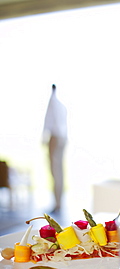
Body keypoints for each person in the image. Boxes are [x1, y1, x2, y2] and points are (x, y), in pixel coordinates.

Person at [43, 84, 67, 213]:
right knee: (59, 172)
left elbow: (49, 122)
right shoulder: (62, 105)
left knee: (55, 171)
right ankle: (58, 203)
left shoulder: (53, 102)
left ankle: (58, 203)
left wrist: (44, 138)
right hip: (62, 137)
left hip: (55, 137)